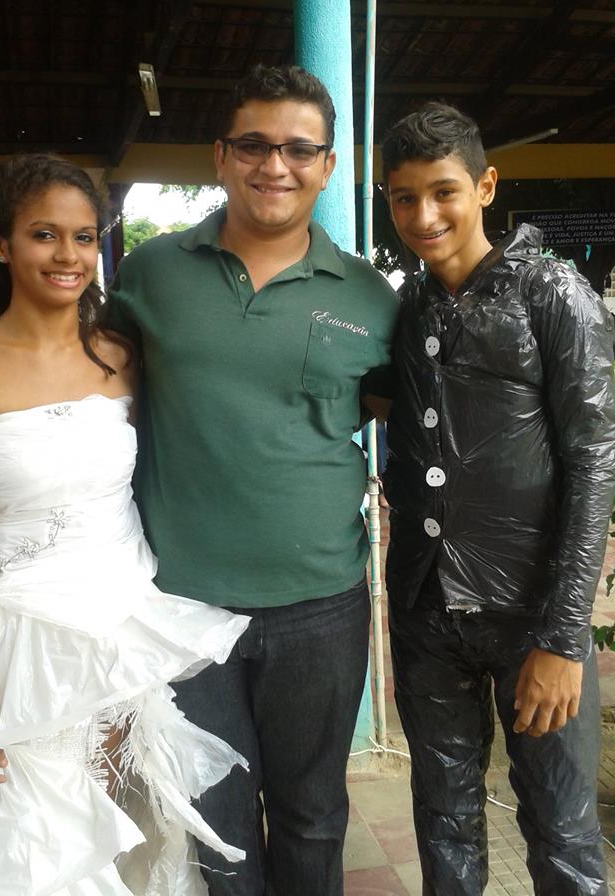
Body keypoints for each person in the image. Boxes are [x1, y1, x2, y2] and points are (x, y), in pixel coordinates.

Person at [0, 154, 252, 896]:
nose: (69, 256)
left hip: (118, 636)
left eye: (84, 237)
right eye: (44, 235)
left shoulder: (120, 358)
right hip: (8, 650)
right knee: (18, 851)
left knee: (102, 841)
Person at [107, 64, 399, 896]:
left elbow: (399, 413)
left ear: (328, 165)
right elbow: (93, 399)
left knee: (313, 815)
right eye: (254, 145)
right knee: (218, 822)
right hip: (184, 604)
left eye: (300, 149)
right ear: (221, 155)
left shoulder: (371, 297)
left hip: (321, 602)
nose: (276, 165)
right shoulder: (151, 272)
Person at [380, 102, 615, 895]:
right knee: (442, 816)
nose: (424, 216)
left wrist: (564, 637)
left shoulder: (553, 293)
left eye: (443, 192)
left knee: (560, 824)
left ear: (484, 186)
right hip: (427, 610)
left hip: (531, 616)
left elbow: (594, 462)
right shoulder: (410, 307)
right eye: (404, 197)